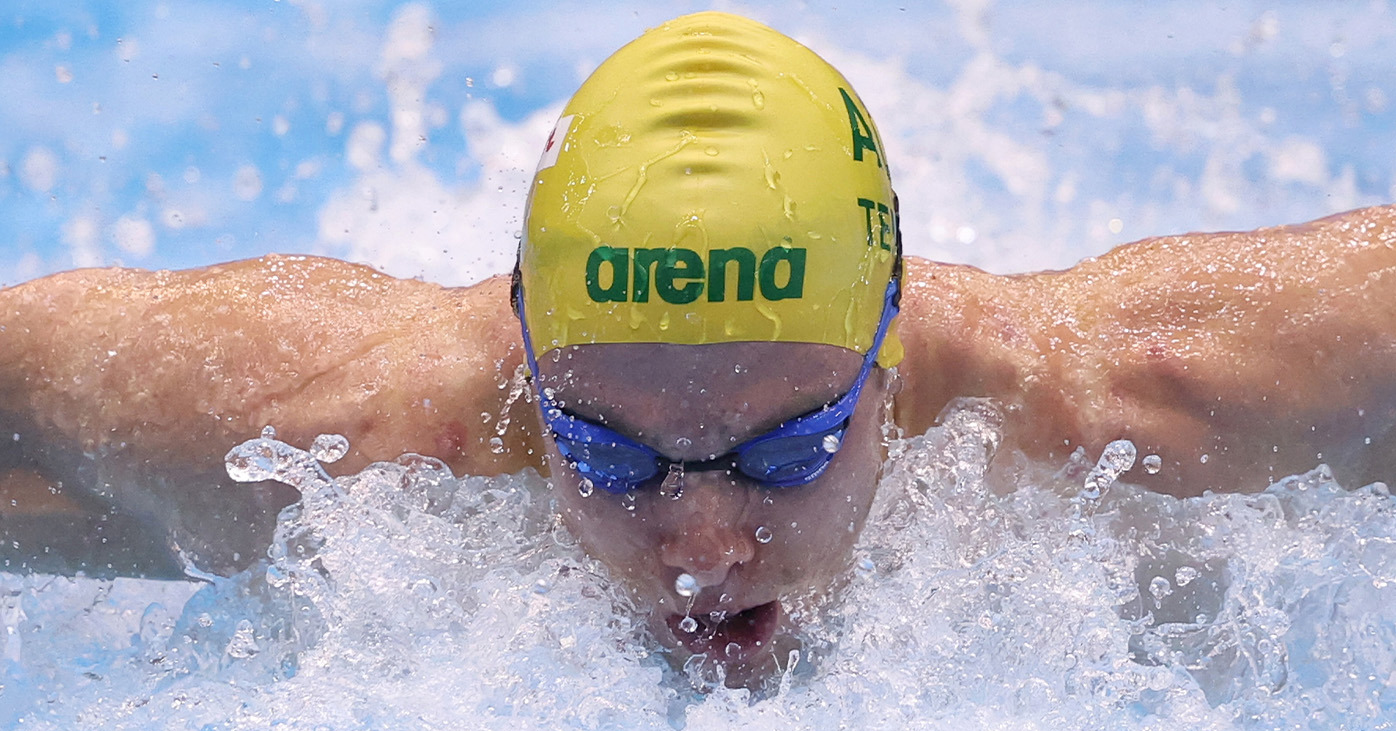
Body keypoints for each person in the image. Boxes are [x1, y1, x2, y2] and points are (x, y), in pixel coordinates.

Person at [3, 12, 1396, 687]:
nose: (704, 539)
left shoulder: (1146, 403)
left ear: (892, 358)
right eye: (608, 450)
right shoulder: (326, 438)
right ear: (525, 353)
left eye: (786, 449)